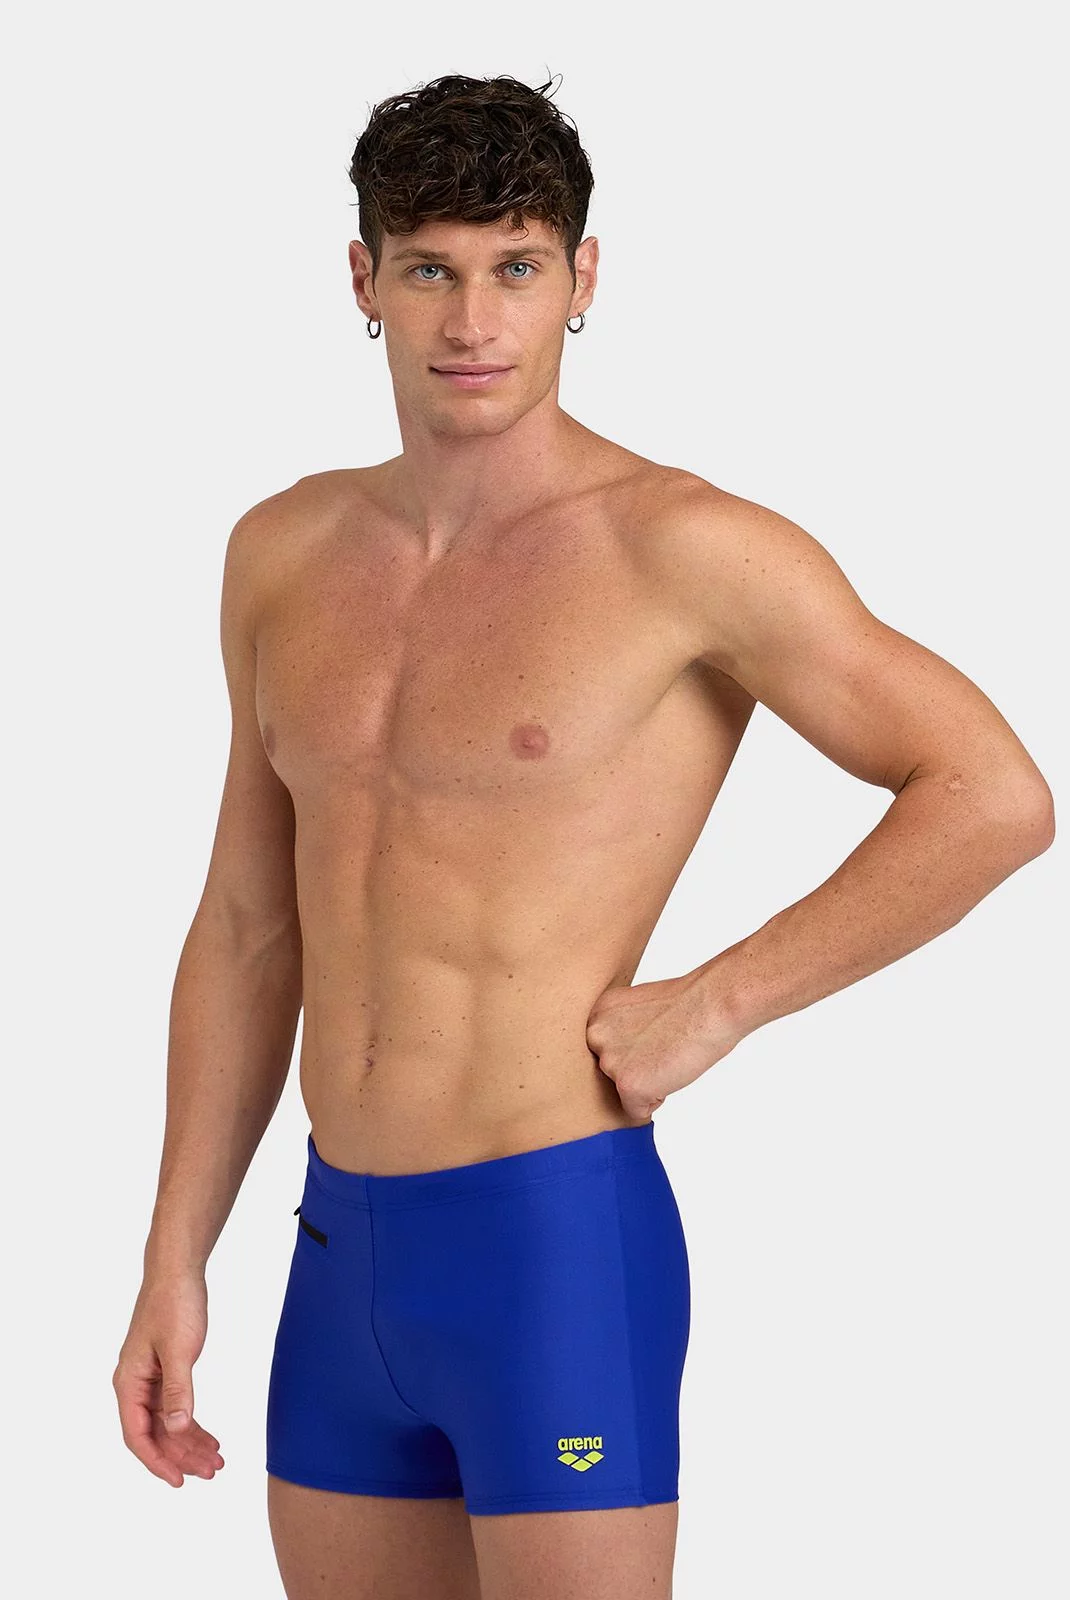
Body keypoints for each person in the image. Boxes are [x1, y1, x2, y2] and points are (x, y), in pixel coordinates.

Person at [112, 71, 1055, 1600]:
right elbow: (245, 923)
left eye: (516, 266)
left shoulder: (682, 548)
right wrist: (174, 1256)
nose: (472, 320)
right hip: (335, 1252)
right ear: (362, 280)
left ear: (582, 277)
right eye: (429, 269)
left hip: (547, 1241)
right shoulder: (282, 550)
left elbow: (990, 793)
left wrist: (721, 1000)